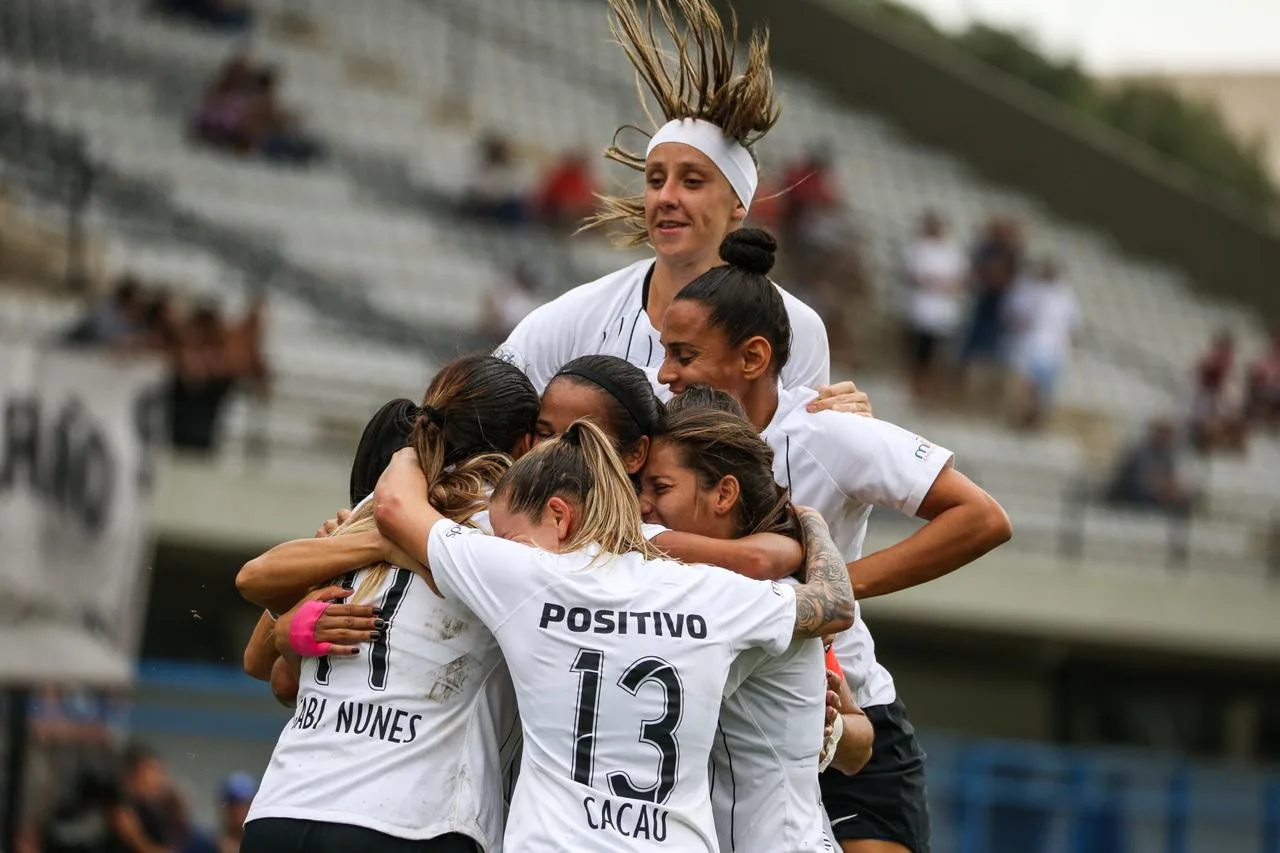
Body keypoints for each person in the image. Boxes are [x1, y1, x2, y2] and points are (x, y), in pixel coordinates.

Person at [657, 228, 1013, 853]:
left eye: (684, 356)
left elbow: (981, 516)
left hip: (846, 708)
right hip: (725, 723)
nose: (666, 373)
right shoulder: (664, 442)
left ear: (753, 357)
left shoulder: (827, 429)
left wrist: (841, 588)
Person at [370, 417, 855, 851]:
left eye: (509, 536)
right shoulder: (711, 592)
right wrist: (812, 524)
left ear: (560, 516)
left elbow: (393, 503)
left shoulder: (524, 576)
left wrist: (423, 433)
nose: (501, 548)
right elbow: (833, 606)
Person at [235, 354, 541, 853]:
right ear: (526, 442)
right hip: (410, 819)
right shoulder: (506, 527)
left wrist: (290, 626)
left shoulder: (368, 512)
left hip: (282, 809)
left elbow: (268, 655)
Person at [495, 0, 832, 396]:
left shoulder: (796, 329)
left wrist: (845, 423)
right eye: (656, 180)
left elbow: (803, 451)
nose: (666, 197)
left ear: (738, 203)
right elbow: (479, 409)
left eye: (691, 181)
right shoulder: (579, 315)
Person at [641, 405, 875, 852]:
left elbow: (859, 740)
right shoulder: (762, 590)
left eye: (661, 487)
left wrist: (824, 729)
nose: (642, 503)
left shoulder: (773, 601)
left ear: (724, 494)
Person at [1004, 258, 1079, 429]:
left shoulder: (1066, 297)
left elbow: (1072, 326)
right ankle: (1022, 417)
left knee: (1044, 390)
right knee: (1029, 387)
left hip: (1055, 351)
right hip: (1032, 346)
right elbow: (1016, 317)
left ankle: (1036, 420)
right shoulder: (1030, 291)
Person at [901, 211, 966, 401]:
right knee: (918, 350)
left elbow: (959, 280)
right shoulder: (919, 248)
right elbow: (915, 276)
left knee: (937, 353)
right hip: (921, 308)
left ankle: (931, 388)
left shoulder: (952, 252)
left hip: (943, 313)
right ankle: (915, 385)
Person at [1106, 419, 1197, 515]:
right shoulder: (1139, 452)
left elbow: (1170, 479)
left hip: (1156, 496)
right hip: (1132, 495)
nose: (1166, 437)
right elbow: (1142, 480)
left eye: (1169, 434)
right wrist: (1161, 488)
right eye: (1162, 432)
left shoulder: (1168, 455)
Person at [218, 773, 256, 853]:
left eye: (242, 803)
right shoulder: (209, 846)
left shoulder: (264, 845)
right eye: (232, 803)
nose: (237, 810)